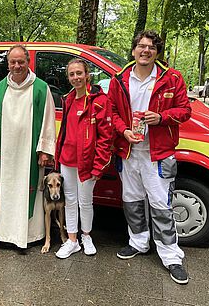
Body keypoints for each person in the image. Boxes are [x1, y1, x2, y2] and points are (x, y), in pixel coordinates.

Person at [107, 30, 192, 284]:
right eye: (141, 46)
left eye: (151, 47)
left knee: (161, 204)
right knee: (131, 200)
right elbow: (111, 112)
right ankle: (139, 242)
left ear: (157, 53)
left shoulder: (172, 78)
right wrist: (123, 130)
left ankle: (171, 256)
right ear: (133, 50)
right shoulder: (120, 79)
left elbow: (185, 110)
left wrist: (161, 118)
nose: (146, 50)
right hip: (129, 151)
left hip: (158, 153)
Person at [0, 45, 56, 249]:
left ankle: (31, 235)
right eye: (13, 62)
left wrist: (44, 150)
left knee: (31, 190)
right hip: (9, 152)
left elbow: (48, 119)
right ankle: (8, 235)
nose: (17, 66)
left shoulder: (41, 87)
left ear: (28, 62)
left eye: (21, 61)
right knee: (9, 190)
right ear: (8, 64)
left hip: (31, 151)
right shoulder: (1, 88)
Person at [54, 58, 113, 259]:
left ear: (87, 75)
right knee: (70, 200)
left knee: (85, 201)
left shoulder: (99, 101)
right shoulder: (68, 99)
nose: (76, 77)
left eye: (79, 73)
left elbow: (106, 138)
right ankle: (72, 240)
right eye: (72, 74)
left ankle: (86, 235)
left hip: (87, 161)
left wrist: (99, 166)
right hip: (67, 159)